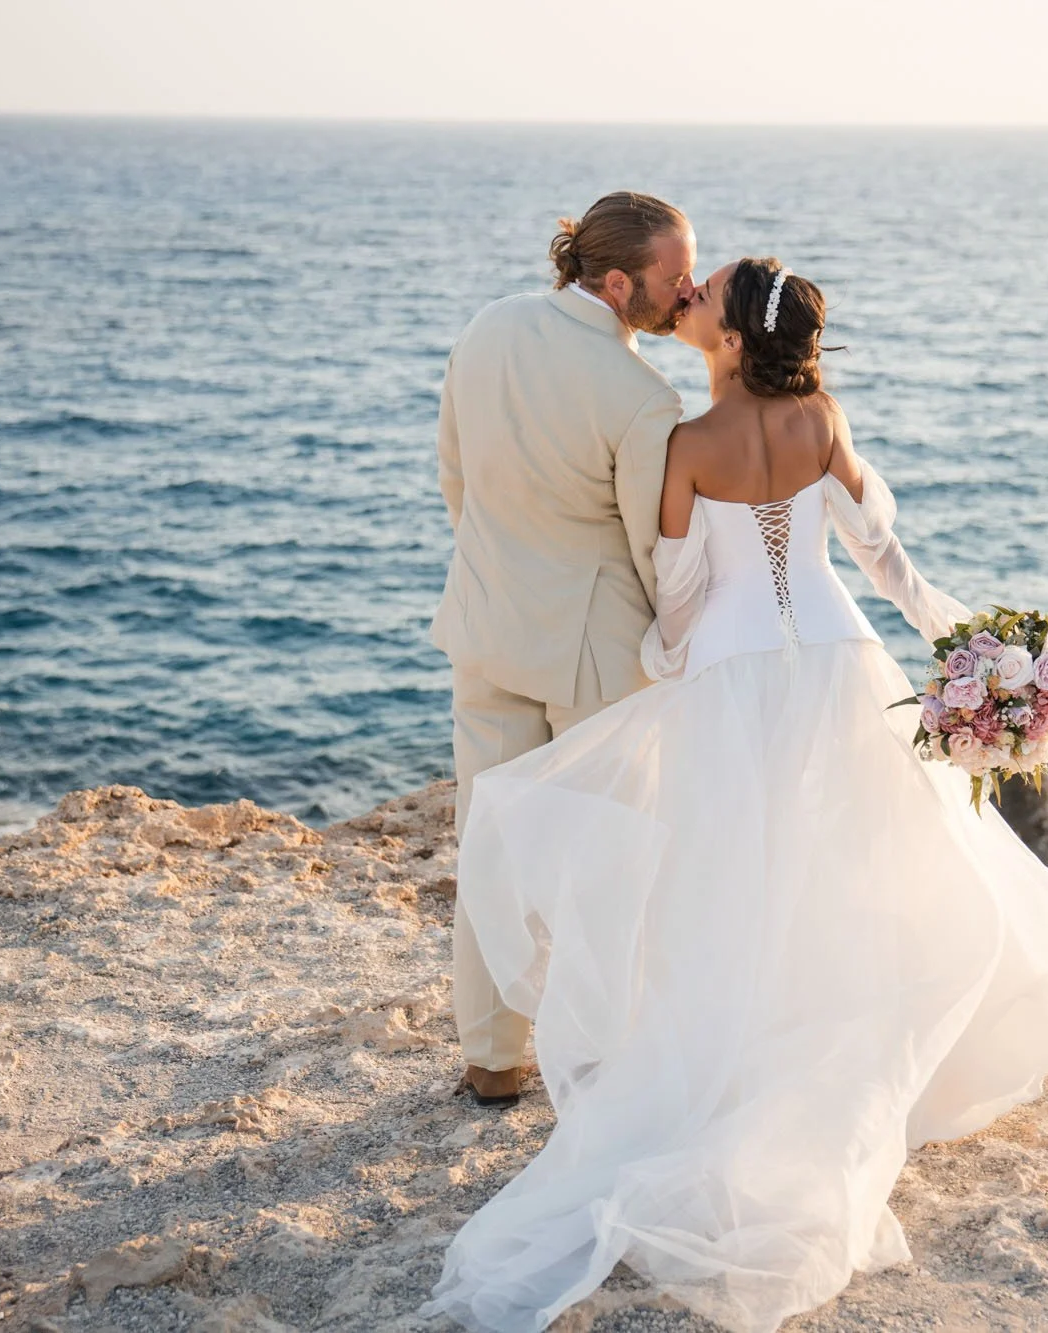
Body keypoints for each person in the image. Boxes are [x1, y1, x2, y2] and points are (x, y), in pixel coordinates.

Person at [422, 257, 1048, 1332]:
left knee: (731, 881)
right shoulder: (820, 418)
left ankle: (742, 1068)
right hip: (842, 664)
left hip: (731, 674)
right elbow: (879, 554)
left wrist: (659, 672)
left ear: (724, 337)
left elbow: (678, 589)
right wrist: (961, 647)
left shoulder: (686, 443)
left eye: (702, 296)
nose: (687, 300)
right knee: (856, 862)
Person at [431, 191, 696, 1106]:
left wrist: (504, 564)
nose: (688, 293)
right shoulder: (644, 397)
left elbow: (454, 476)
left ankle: (491, 1058)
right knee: (606, 858)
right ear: (620, 284)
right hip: (596, 649)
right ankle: (598, 1059)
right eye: (674, 280)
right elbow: (649, 552)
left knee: (489, 844)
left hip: (487, 622)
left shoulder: (488, 326)